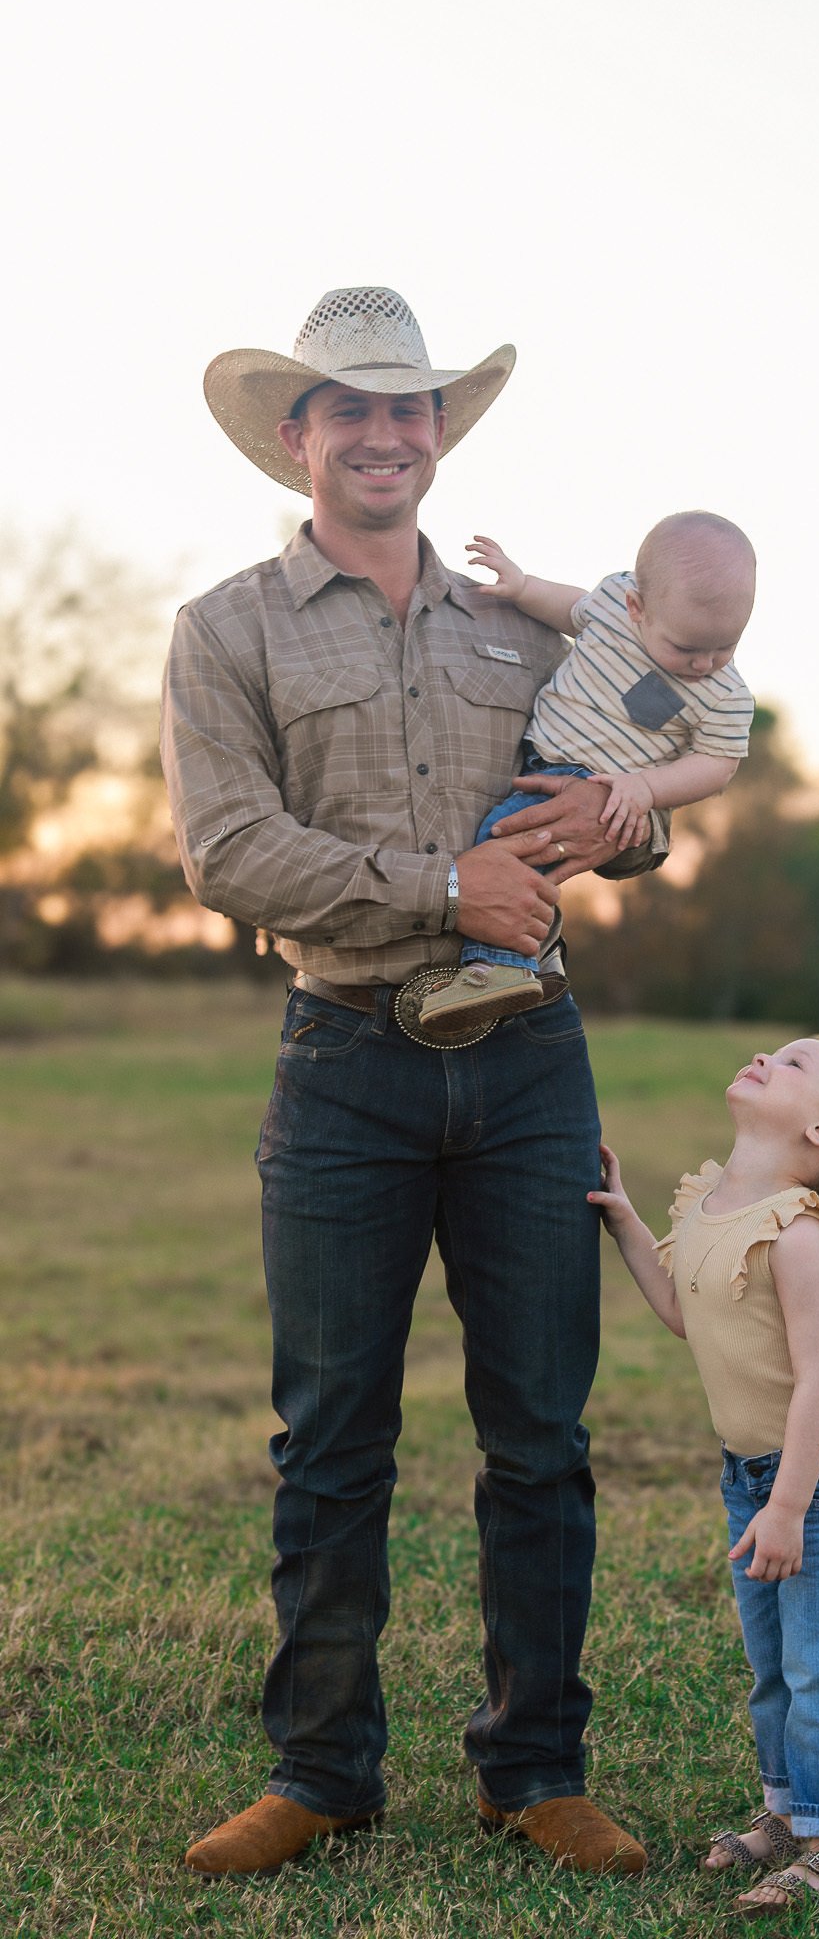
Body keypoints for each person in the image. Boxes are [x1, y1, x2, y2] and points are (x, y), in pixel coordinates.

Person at [162, 286, 660, 1879]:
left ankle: (536, 1769)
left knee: (540, 1431)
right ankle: (322, 1773)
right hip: (343, 1062)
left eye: (410, 408)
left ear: (438, 434)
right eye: (350, 410)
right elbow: (226, 851)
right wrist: (446, 889)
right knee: (330, 1435)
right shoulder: (224, 629)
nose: (385, 434)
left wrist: (627, 824)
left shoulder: (537, 627)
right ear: (296, 440)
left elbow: (645, 788)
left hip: (531, 1060)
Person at [590, 1036, 819, 1915]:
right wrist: (626, 1217)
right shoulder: (714, 1202)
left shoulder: (796, 1231)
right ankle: (788, 1814)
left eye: (791, 1063)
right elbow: (683, 1312)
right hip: (752, 1473)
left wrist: (788, 1505)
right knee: (772, 1666)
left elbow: (817, 1378)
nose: (762, 1056)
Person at [418, 517, 755, 1030]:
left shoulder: (726, 696)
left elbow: (717, 766)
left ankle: (501, 968)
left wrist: (643, 787)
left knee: (505, 844)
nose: (704, 664)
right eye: (687, 649)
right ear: (636, 608)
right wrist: (523, 586)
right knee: (513, 844)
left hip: (594, 781)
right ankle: (500, 965)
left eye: (725, 647)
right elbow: (573, 610)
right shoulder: (613, 604)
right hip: (540, 759)